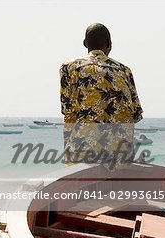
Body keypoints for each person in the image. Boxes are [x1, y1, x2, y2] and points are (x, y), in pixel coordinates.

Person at [59, 23, 143, 168]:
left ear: (85, 43)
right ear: (109, 44)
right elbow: (136, 115)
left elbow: (68, 111)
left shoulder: (68, 68)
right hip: (120, 157)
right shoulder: (124, 71)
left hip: (83, 152)